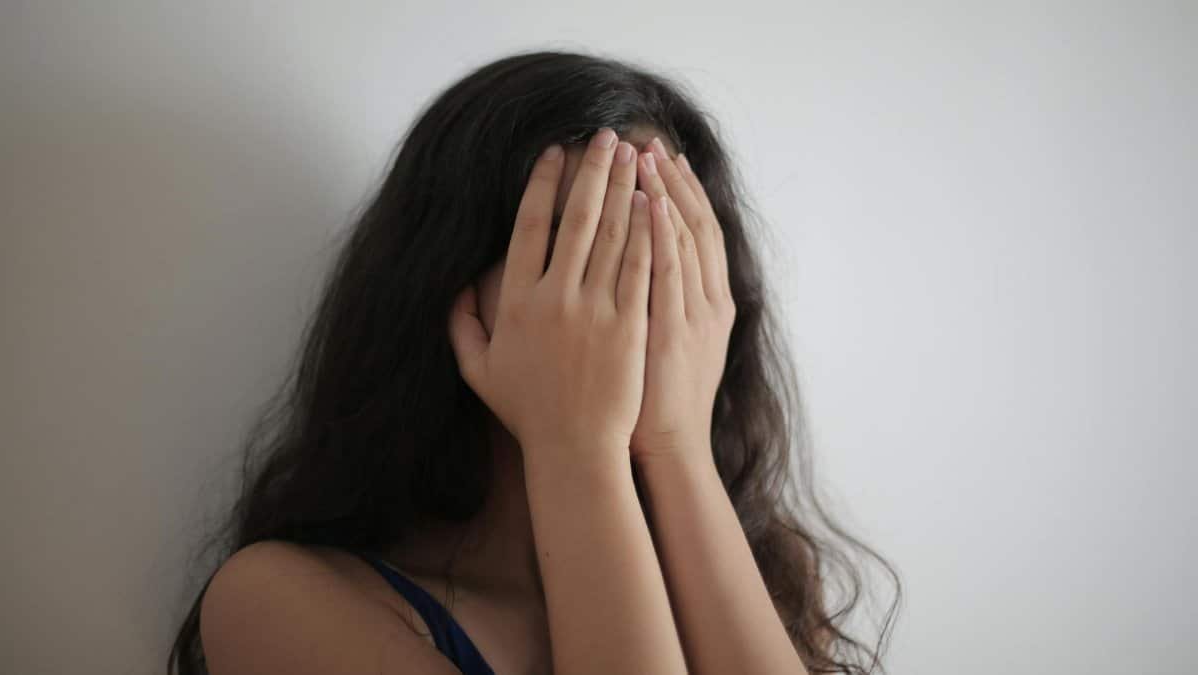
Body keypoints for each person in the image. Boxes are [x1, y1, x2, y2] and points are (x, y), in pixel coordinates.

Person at [167, 49, 899, 675]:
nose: (632, 289)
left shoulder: (775, 572)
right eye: (580, 246)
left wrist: (674, 445)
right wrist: (575, 444)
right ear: (449, 284)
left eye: (666, 249)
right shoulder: (283, 599)